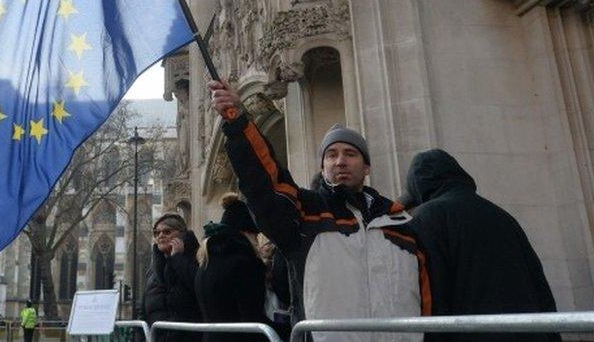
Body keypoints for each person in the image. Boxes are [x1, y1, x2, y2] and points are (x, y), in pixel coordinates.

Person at [209, 80, 427, 342]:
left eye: (350, 154)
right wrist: (237, 120)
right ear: (323, 167)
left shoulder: (399, 222)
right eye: (331, 155)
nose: (340, 161)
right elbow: (264, 183)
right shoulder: (303, 214)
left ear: (366, 167)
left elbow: (425, 300)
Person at [401, 149, 561, 341]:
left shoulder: (429, 216)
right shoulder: (503, 216)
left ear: (418, 185)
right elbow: (540, 287)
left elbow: (433, 294)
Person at [194, 193, 269, 342]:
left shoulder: (206, 262)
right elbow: (252, 319)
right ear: (245, 233)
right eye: (254, 236)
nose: (256, 241)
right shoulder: (243, 263)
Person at [138, 213, 201, 342]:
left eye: (167, 231)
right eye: (156, 233)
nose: (161, 236)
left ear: (181, 234)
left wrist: (177, 259)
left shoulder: (197, 260)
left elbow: (199, 288)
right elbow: (143, 311)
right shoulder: (153, 270)